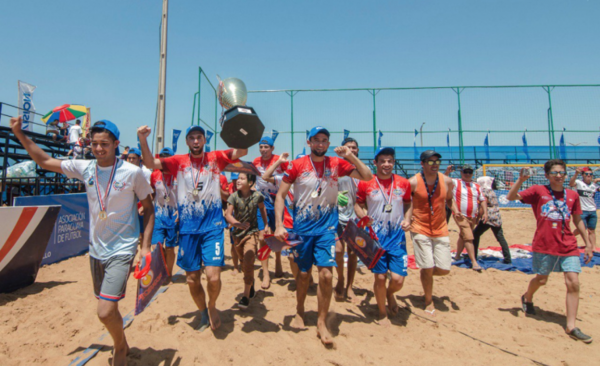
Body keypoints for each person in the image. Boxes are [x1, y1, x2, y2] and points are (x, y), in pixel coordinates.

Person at [10, 116, 154, 366]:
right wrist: (19, 134)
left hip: (122, 249)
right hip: (96, 250)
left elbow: (149, 209)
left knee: (105, 311)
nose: (99, 148)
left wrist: (144, 247)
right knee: (109, 306)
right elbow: (44, 161)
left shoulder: (132, 173)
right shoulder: (85, 167)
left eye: (104, 144)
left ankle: (120, 347)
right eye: (95, 144)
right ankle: (123, 339)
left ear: (116, 143)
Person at [137, 124, 247, 331]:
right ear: (187, 141)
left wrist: (241, 125)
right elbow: (150, 162)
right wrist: (143, 139)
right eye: (192, 138)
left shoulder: (216, 158)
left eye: (199, 137)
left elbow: (242, 151)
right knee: (192, 280)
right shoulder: (178, 161)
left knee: (214, 277)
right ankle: (203, 311)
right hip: (188, 229)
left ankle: (212, 305)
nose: (196, 141)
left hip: (212, 227)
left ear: (204, 140)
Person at [274, 126, 373, 346]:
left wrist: (350, 157)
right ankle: (299, 310)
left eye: (324, 140)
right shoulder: (297, 165)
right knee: (302, 275)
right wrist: (279, 225)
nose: (320, 144)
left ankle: (321, 322)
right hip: (302, 230)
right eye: (316, 140)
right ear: (309, 142)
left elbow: (367, 176)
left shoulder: (337, 164)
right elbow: (280, 196)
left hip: (327, 229)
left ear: (329, 144)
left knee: (326, 275)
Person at [507, 160, 594, 343]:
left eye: (562, 172)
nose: (559, 175)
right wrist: (521, 180)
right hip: (544, 244)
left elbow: (578, 219)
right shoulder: (538, 191)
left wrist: (587, 244)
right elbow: (510, 197)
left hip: (568, 244)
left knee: (573, 283)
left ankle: (571, 326)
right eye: (554, 172)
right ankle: (528, 297)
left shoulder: (572, 194)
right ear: (547, 175)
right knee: (541, 279)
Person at [354, 147, 411, 326]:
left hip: (397, 238)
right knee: (379, 277)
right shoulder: (366, 183)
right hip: (375, 238)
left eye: (390, 161)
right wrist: (363, 216)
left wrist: (408, 219)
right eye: (383, 161)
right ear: (375, 163)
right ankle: (381, 313)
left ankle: (389, 294)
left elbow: (409, 202)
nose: (387, 164)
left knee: (397, 280)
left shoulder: (403, 183)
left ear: (394, 162)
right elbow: (357, 204)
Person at [408, 150, 455, 317]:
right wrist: (408, 219)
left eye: (437, 161)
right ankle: (428, 300)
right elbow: (408, 202)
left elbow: (449, 199)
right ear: (422, 164)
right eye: (430, 161)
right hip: (419, 227)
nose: (435, 164)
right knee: (427, 266)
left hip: (440, 227)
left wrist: (456, 212)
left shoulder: (447, 181)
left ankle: (425, 273)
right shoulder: (413, 182)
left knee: (444, 269)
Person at [224, 173, 268, 309]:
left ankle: (245, 296)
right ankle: (251, 283)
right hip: (237, 235)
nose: (238, 181)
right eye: (238, 178)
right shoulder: (233, 197)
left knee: (249, 261)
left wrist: (266, 225)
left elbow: (262, 208)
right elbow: (228, 214)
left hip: (252, 233)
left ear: (250, 183)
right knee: (244, 263)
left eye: (242, 178)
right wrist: (237, 224)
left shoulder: (257, 196)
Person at [253, 136, 289, 289]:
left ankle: (278, 261)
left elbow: (289, 180)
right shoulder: (255, 162)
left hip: (278, 202)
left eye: (266, 147)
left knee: (278, 235)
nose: (263, 150)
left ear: (272, 148)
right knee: (262, 236)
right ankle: (265, 273)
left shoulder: (281, 161)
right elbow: (256, 179)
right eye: (261, 147)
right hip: (263, 202)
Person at [335, 137, 360, 302]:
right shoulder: (335, 166)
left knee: (353, 252)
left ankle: (349, 285)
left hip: (355, 216)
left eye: (354, 147)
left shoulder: (361, 169)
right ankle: (340, 278)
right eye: (348, 147)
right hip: (336, 214)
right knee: (338, 250)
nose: (351, 149)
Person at [450, 164, 488, 271]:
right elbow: (443, 181)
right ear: (461, 172)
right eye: (465, 172)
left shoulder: (476, 186)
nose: (467, 174)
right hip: (460, 215)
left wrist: (485, 213)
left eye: (469, 172)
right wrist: (448, 171)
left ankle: (457, 256)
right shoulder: (455, 182)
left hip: (473, 216)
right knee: (469, 236)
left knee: (463, 236)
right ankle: (474, 262)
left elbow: (483, 200)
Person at [151, 147, 179, 279]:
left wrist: (181, 210)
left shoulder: (179, 175)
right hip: (158, 216)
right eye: (162, 158)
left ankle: (168, 274)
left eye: (167, 158)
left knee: (170, 248)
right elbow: (152, 192)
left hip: (173, 217)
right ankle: (161, 271)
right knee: (157, 247)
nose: (164, 161)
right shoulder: (154, 175)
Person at [473, 176, 512, 264]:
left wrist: (478, 217)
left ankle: (474, 256)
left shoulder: (483, 192)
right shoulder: (491, 191)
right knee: (500, 238)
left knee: (475, 234)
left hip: (488, 217)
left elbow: (483, 205)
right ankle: (508, 258)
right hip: (496, 216)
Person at [569, 167, 600, 249]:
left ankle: (593, 248)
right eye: (586, 174)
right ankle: (569, 237)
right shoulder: (579, 183)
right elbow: (571, 184)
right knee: (581, 229)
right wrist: (576, 174)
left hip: (592, 210)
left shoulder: (594, 185)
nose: (589, 175)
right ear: (583, 175)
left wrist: (597, 180)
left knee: (591, 230)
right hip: (582, 210)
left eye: (590, 174)